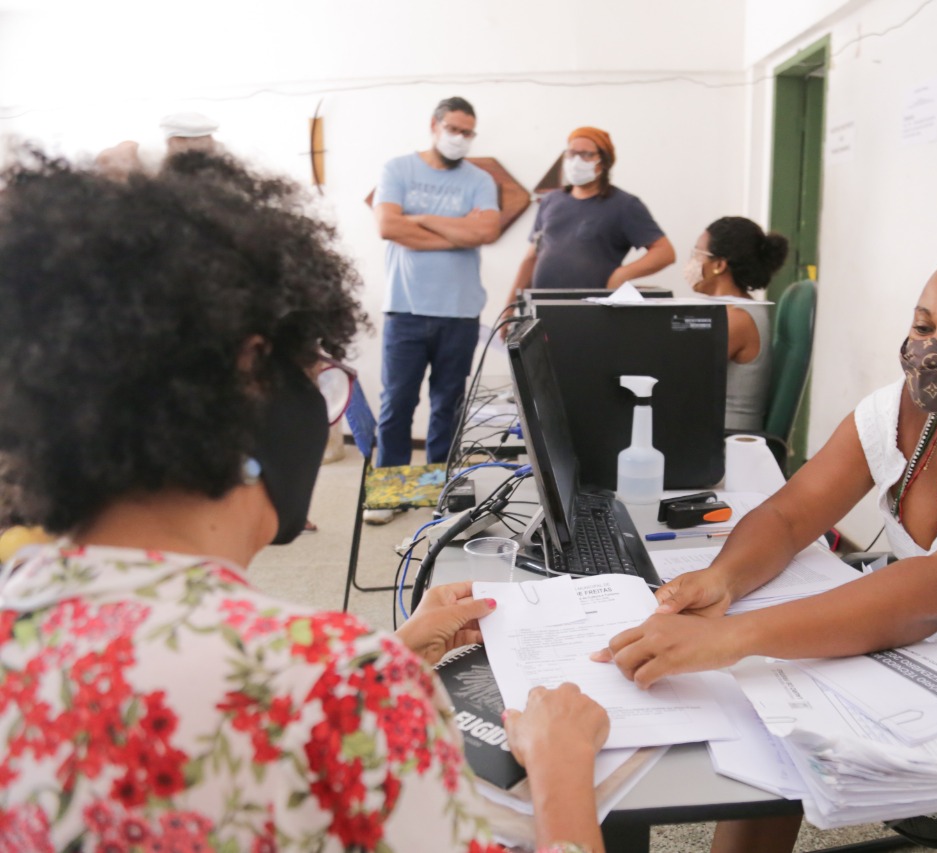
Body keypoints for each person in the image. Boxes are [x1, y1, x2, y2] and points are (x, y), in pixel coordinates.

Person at [0, 150, 608, 853]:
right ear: (251, 373)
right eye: (318, 380)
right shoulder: (339, 682)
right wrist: (562, 768)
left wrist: (391, 654)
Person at [595, 212, 937, 853]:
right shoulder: (899, 412)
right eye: (922, 326)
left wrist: (728, 637)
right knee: (775, 701)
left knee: (767, 676)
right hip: (932, 657)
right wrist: (723, 580)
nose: (931, 350)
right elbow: (791, 513)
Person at [370, 96, 500, 523]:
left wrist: (420, 219)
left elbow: (486, 230)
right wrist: (458, 232)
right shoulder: (398, 169)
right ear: (435, 125)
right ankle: (391, 494)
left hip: (459, 313)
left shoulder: (479, 179)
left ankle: (437, 493)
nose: (460, 138)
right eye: (454, 129)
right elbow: (388, 226)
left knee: (449, 404)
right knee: (397, 405)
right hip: (405, 310)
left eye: (468, 132)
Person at [500, 127, 673, 327]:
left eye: (586, 154)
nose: (577, 160)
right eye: (572, 153)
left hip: (592, 317)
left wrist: (622, 274)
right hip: (541, 314)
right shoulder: (551, 201)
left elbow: (665, 252)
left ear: (604, 162)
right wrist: (509, 309)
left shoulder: (624, 205)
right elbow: (531, 258)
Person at [683, 217, 789, 431]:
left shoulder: (738, 318)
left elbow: (683, 374)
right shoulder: (733, 309)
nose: (692, 262)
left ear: (719, 265)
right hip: (712, 430)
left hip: (725, 440)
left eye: (697, 254)